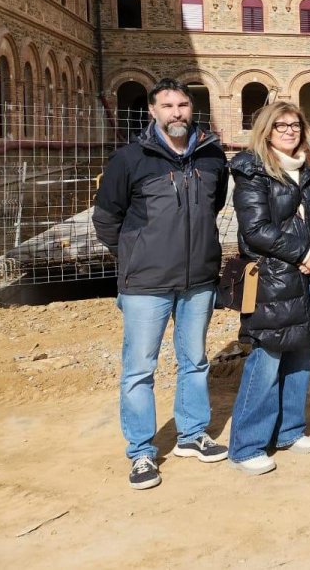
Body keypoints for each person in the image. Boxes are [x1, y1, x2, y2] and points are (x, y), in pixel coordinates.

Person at [93, 78, 229, 490]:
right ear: (152, 111)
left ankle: (192, 434)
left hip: (198, 279)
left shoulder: (210, 156)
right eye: (167, 105)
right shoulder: (130, 159)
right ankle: (141, 452)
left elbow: (215, 203)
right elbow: (106, 219)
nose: (176, 113)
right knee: (139, 369)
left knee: (195, 361)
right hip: (145, 285)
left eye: (183, 104)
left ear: (192, 108)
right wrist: (134, 256)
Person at [227, 102, 310, 476]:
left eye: (295, 125)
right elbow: (255, 230)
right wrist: (303, 252)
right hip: (273, 278)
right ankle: (247, 445)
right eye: (280, 125)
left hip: (308, 275)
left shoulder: (308, 168)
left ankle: (289, 429)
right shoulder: (252, 170)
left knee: (301, 354)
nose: (289, 131)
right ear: (266, 130)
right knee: (267, 358)